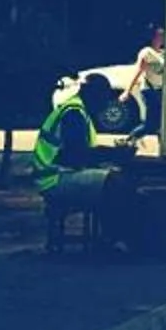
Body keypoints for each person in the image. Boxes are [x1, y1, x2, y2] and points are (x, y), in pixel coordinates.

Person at [34, 72, 125, 252]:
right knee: (115, 183)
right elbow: (75, 156)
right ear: (93, 94)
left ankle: (110, 237)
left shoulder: (78, 110)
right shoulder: (73, 114)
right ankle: (111, 239)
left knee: (113, 180)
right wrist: (113, 154)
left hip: (59, 173)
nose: (105, 103)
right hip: (55, 178)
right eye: (103, 97)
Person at [130, 28, 165, 139]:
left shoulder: (163, 53)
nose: (161, 39)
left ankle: (163, 148)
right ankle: (129, 139)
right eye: (159, 36)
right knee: (151, 124)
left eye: (163, 36)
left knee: (162, 122)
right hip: (149, 90)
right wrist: (127, 90)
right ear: (153, 38)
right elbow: (138, 70)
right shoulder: (146, 52)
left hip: (160, 90)